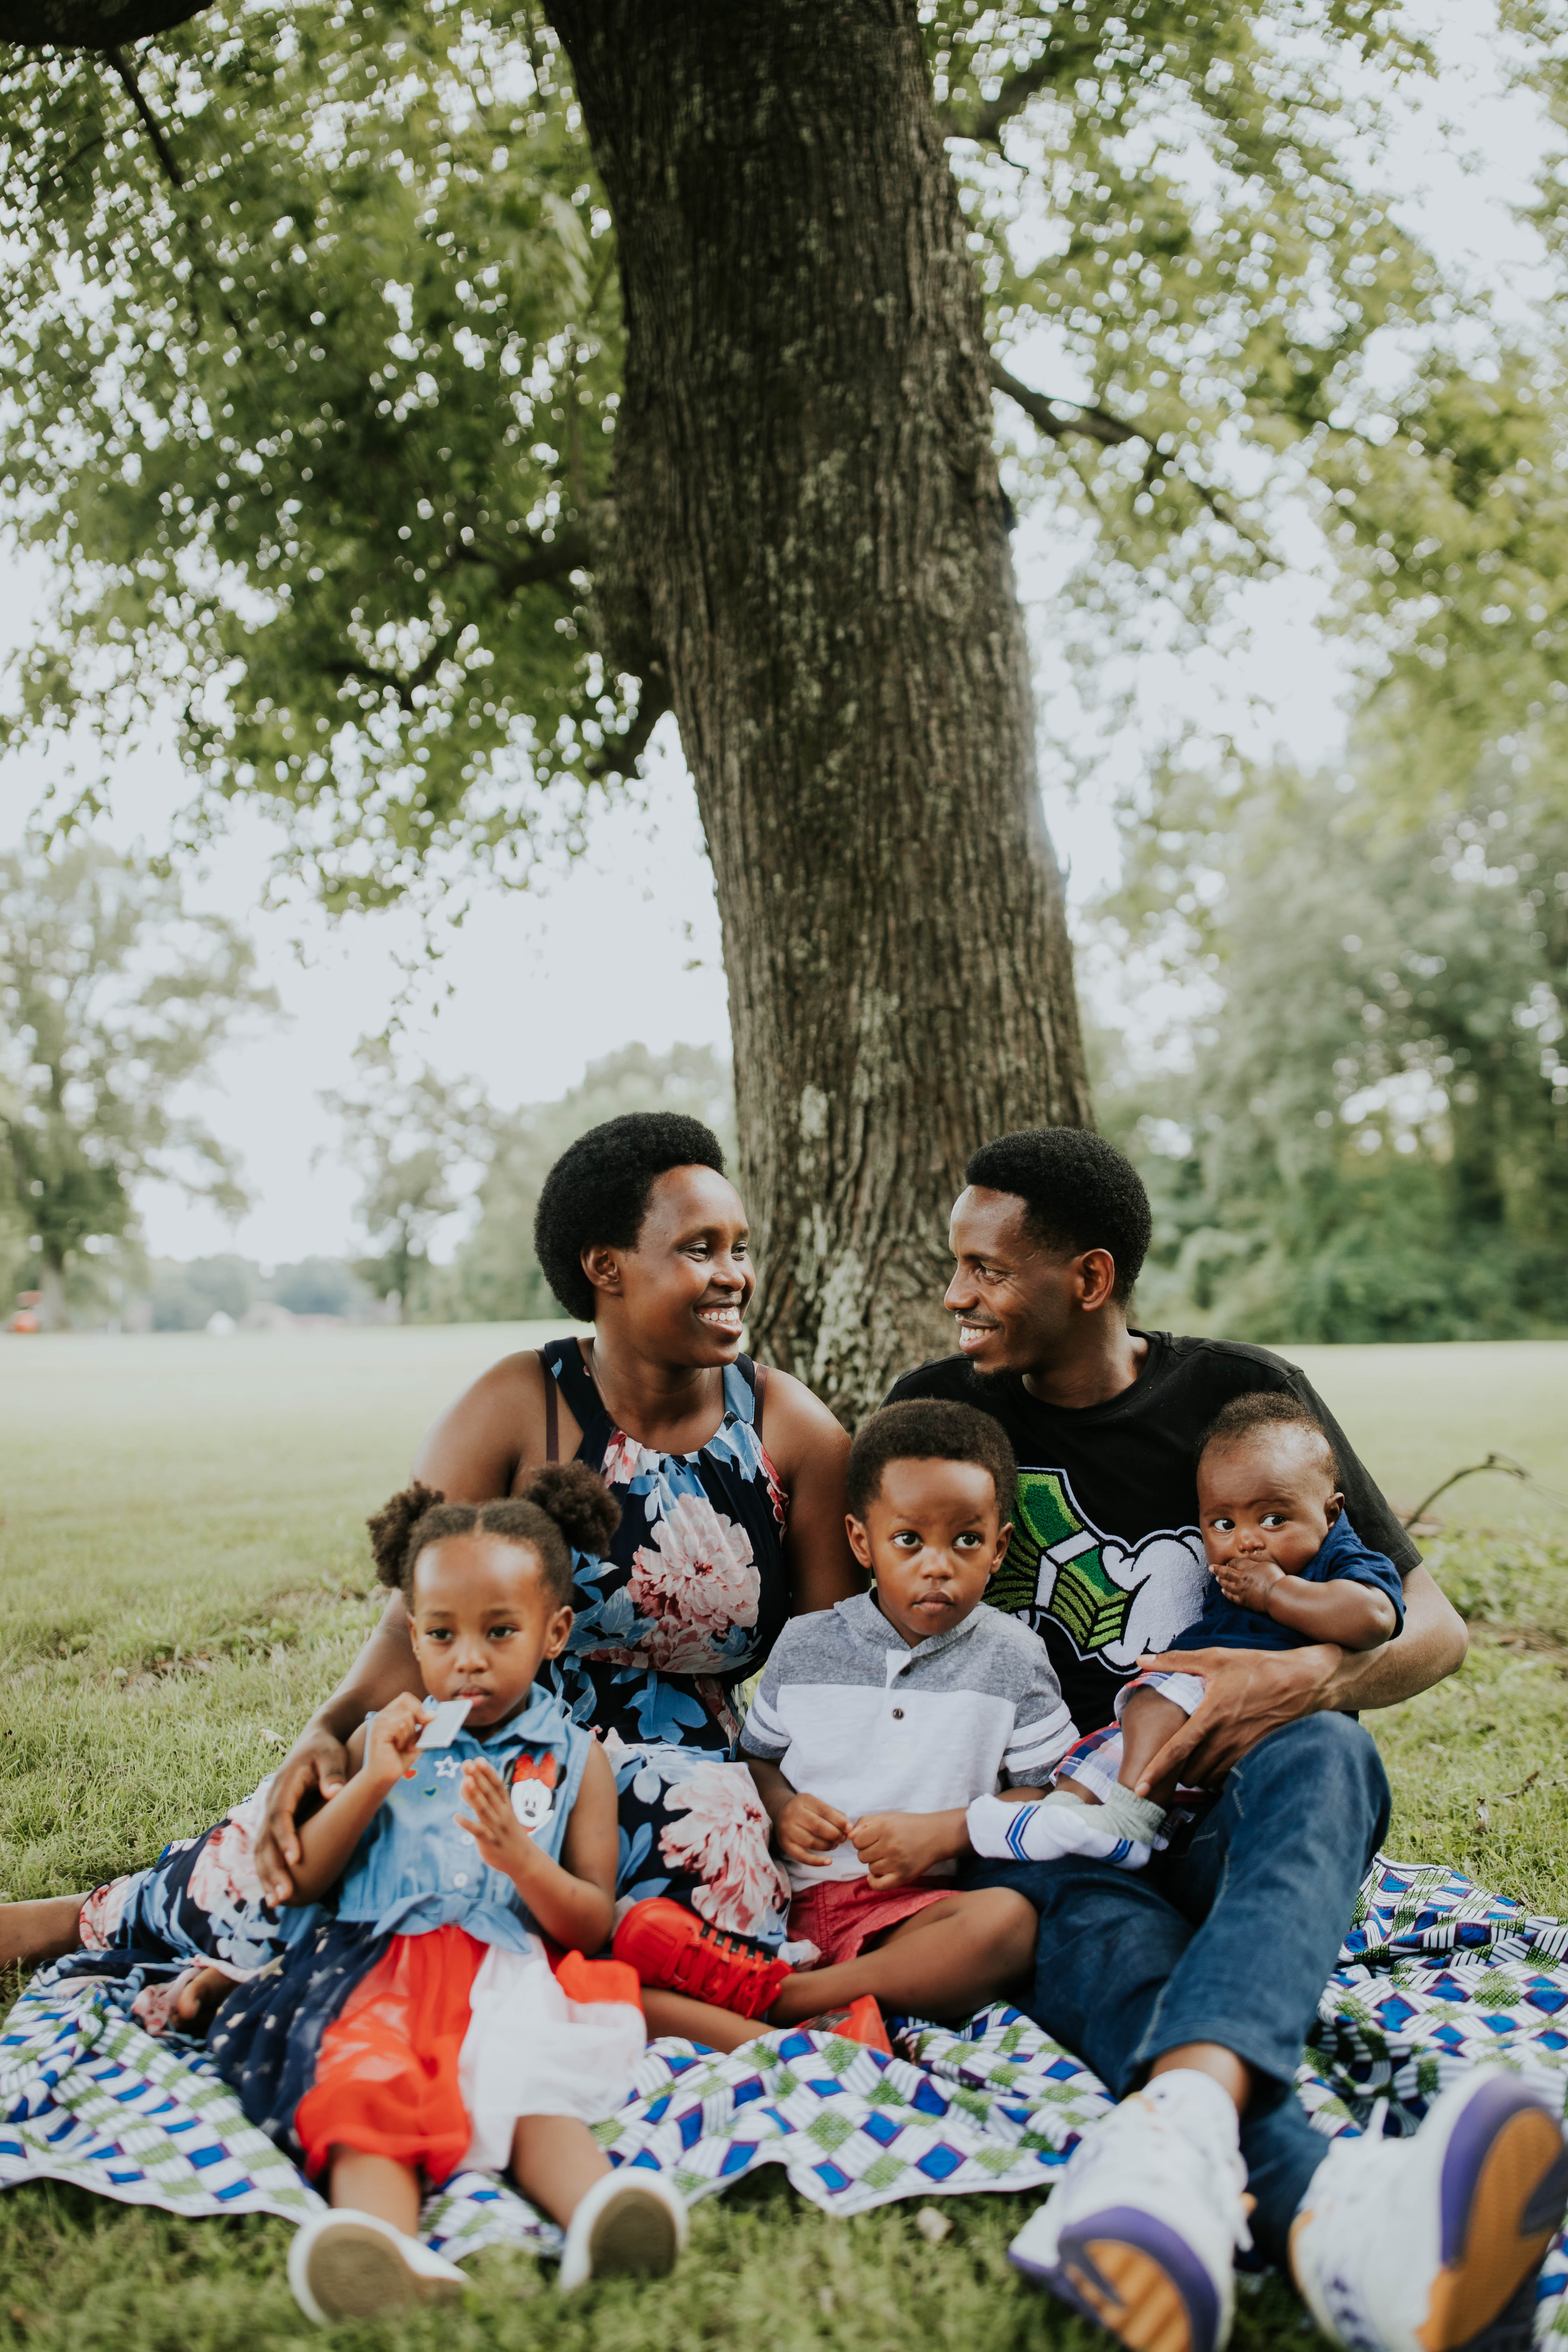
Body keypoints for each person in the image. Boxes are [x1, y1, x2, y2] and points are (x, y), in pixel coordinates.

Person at [888, 1127, 1568, 2352]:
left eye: (988, 1269)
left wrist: (1302, 1676)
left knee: (1334, 1753)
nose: (958, 1294)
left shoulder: (1241, 1401)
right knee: (1078, 1914)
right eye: (959, 1266)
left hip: (1228, 1821)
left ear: (1088, 1281)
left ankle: (1175, 2156)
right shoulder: (937, 1416)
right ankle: (1331, 2218)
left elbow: (1436, 1632)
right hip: (1053, 1837)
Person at [2, 1113, 860, 2057]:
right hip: (492, 1730)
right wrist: (320, 1740)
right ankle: (91, 1921)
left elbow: (827, 1677)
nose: (734, 1274)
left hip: (696, 1774)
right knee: (342, 1829)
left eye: (739, 1248)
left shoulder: (792, 1433)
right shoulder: (515, 1406)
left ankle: (356, 1986)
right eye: (700, 1249)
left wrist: (802, 1814)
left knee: (704, 1875)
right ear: (606, 1267)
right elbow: (415, 1630)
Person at [211, 1468, 685, 2324]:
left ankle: (599, 2215)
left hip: (503, 1973)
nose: (467, 1659)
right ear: (415, 1638)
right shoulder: (383, 1740)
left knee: (529, 2088)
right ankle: (377, 2244)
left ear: (553, 1632)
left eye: (499, 1632)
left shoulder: (577, 1761)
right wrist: (368, 1782)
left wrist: (522, 1862)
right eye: (441, 1635)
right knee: (364, 2092)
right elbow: (305, 1881)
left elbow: (593, 1926)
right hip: (372, 1975)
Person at [612, 1398, 1073, 2041]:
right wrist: (784, 1809)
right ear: (863, 1541)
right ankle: (804, 2008)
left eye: (966, 1540)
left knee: (1007, 1925)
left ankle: (785, 2000)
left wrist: (945, 1834)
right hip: (785, 1900)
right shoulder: (805, 1647)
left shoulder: (1012, 1657)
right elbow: (758, 1760)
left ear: (999, 1549)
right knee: (634, 1996)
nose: (937, 1564)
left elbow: (1053, 1795)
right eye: (908, 1540)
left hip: (910, 1915)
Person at [967, 1390, 1405, 1872]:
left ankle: (1130, 1824)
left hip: (1267, 1709)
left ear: (1332, 1512)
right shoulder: (1237, 1567)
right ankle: (1057, 1818)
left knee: (1154, 1707)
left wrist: (1276, 1594)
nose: (1246, 1539)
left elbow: (1373, 1619)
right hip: (1192, 1691)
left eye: (1274, 1519)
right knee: (1108, 1748)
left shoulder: (1338, 1558)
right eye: (1222, 1523)